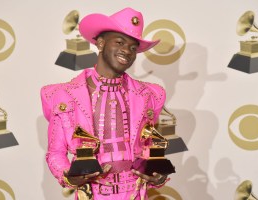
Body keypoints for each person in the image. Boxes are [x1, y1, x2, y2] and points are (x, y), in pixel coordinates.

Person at [41, 7, 170, 200]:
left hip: (135, 193)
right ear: (100, 43)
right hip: (93, 194)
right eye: (119, 42)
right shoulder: (64, 95)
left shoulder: (150, 95)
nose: (127, 51)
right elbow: (55, 153)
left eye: (133, 47)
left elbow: (150, 147)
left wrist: (158, 174)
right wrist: (70, 177)